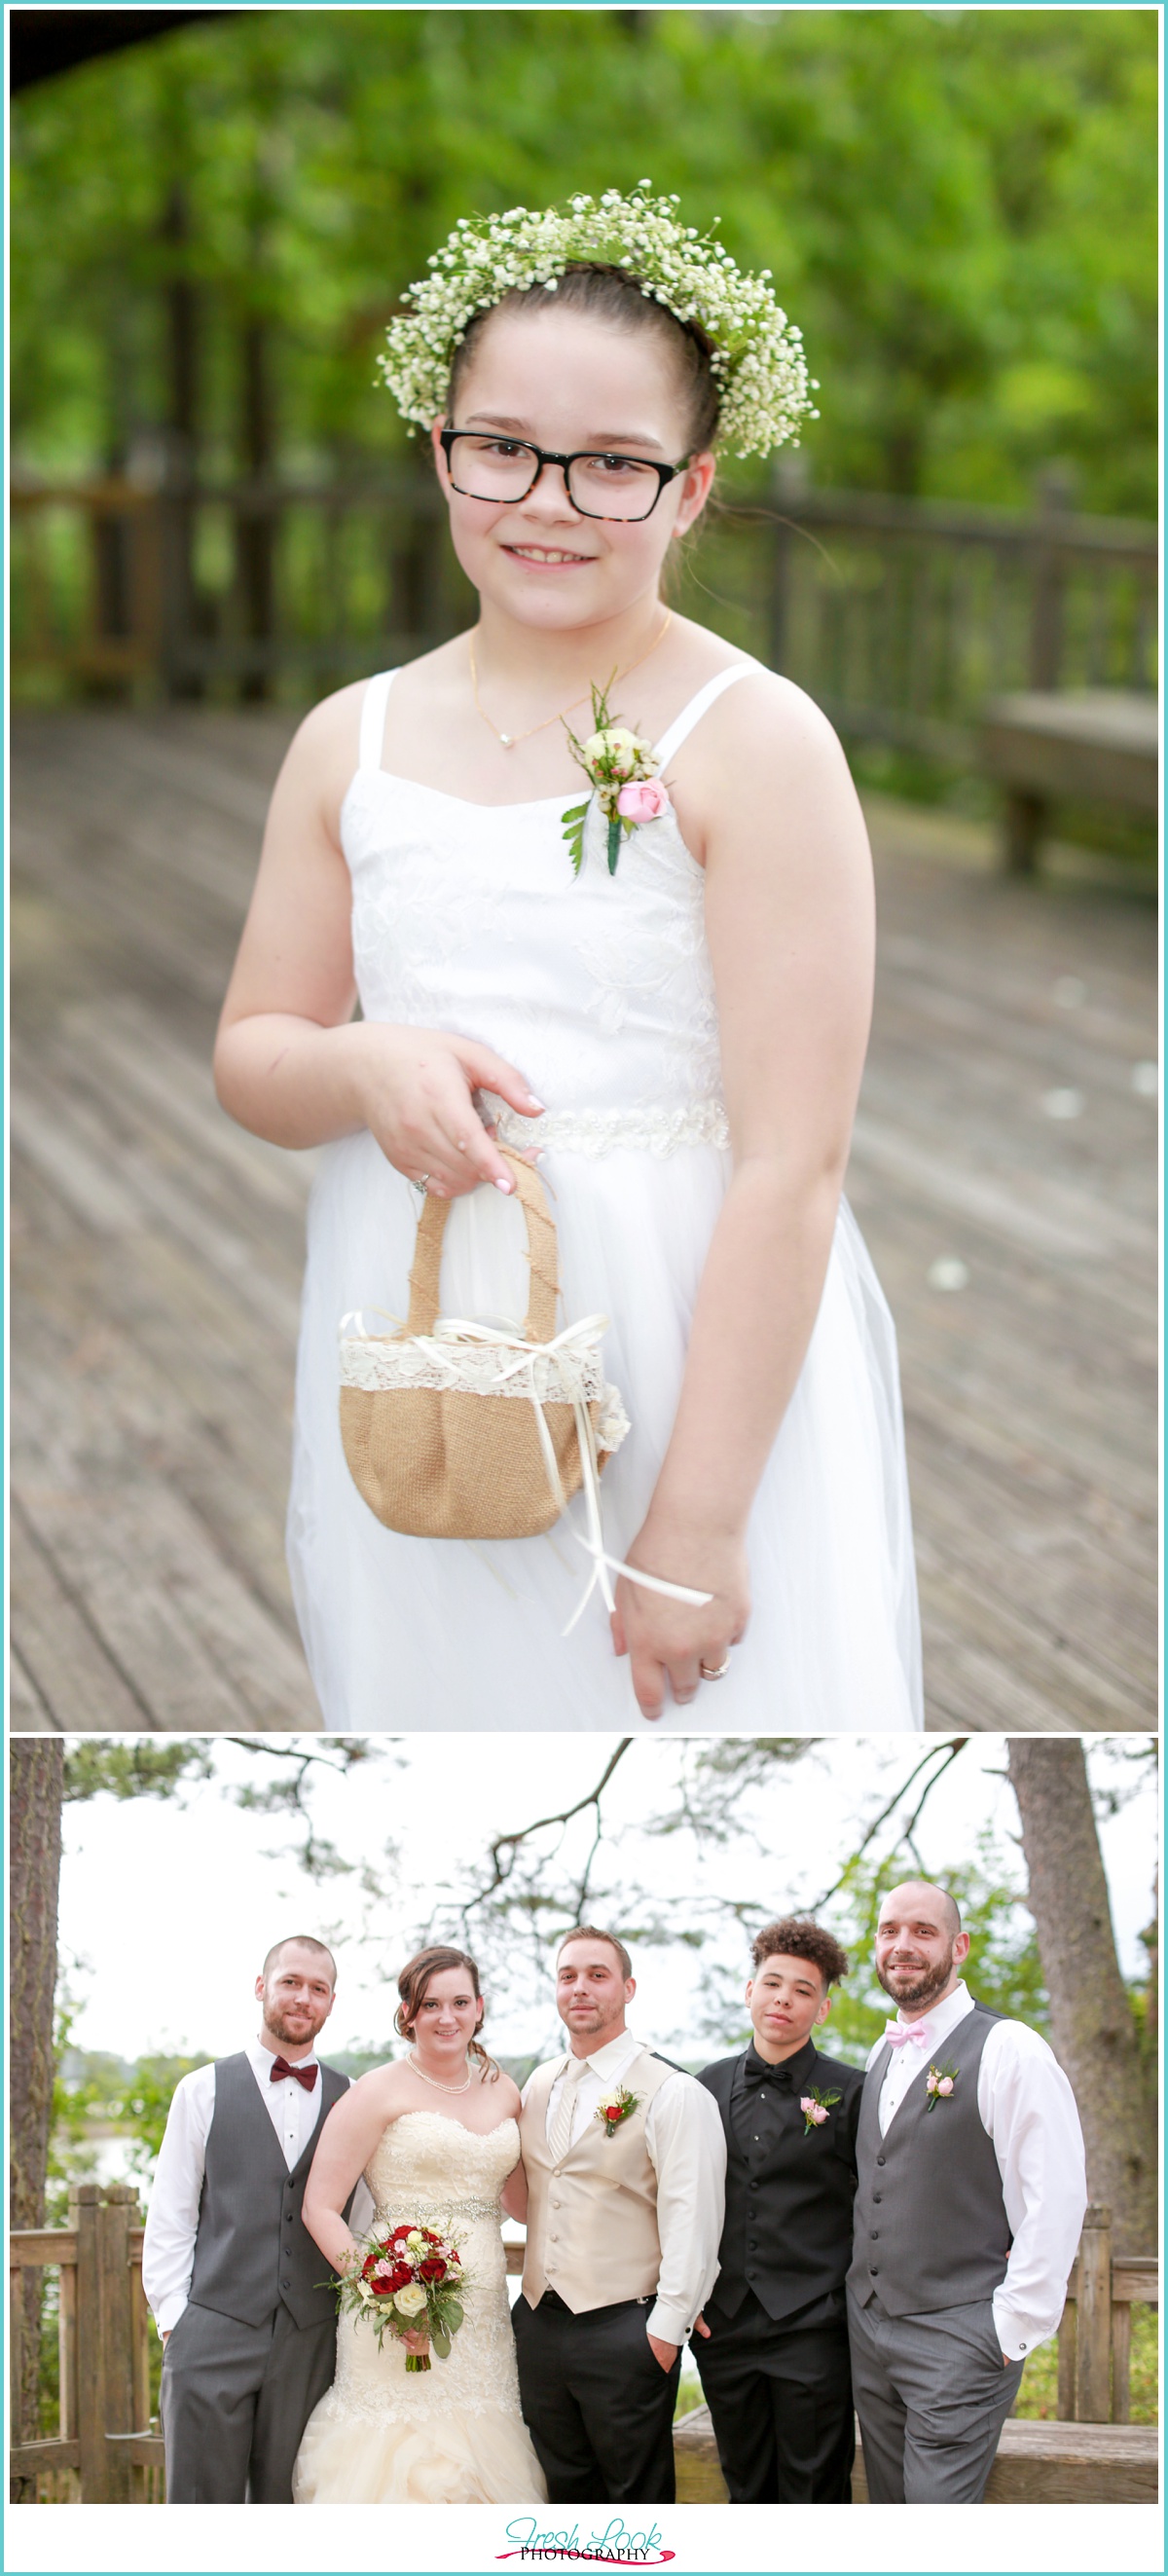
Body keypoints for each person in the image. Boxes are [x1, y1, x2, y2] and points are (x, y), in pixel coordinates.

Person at [213, 183, 922, 1732]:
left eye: (613, 464)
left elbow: (796, 1160)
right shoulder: (356, 739)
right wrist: (362, 1061)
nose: (546, 498)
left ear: (692, 487)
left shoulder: (757, 743)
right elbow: (256, 1050)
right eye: (503, 448)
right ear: (442, 449)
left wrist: (702, 1518)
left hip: (678, 1330)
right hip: (421, 1327)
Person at [847, 1878, 1087, 2504]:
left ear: (959, 1948)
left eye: (923, 1932)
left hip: (961, 2339)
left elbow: (1054, 2198)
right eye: (889, 1930)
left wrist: (1010, 2327)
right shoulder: (881, 2050)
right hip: (870, 2334)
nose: (902, 1945)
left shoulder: (1011, 2049)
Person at [295, 1945, 545, 2505]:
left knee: (482, 2463)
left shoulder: (505, 2091)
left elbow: (526, 2204)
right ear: (408, 2013)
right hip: (398, 2310)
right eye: (430, 2004)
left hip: (481, 2320)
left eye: (459, 2002)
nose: (446, 2017)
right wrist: (383, 2297)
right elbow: (319, 2208)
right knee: (402, 2472)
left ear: (479, 2008)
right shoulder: (376, 2092)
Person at [513, 1926, 726, 2505]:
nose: (580, 1988)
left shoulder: (674, 2092)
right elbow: (528, 2191)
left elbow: (695, 2219)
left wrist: (664, 2330)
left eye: (597, 1975)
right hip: (537, 2321)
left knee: (636, 2501)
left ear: (628, 1988)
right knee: (561, 2491)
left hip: (624, 2328)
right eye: (568, 1976)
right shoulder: (539, 2084)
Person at [143, 1935, 356, 2504]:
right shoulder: (202, 2090)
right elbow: (171, 2215)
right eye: (290, 1982)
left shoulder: (351, 2098)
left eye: (318, 1988)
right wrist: (175, 2322)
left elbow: (359, 2220)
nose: (302, 1998)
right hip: (213, 2329)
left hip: (311, 2340)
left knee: (290, 2506)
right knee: (199, 2504)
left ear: (332, 2002)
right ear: (262, 1987)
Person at [696, 1918, 863, 2503]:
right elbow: (680, 2205)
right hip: (723, 2326)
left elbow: (880, 2202)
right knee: (745, 2488)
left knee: (815, 2490)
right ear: (750, 1991)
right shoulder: (702, 2089)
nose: (784, 1999)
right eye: (773, 1983)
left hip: (813, 2329)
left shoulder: (853, 2091)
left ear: (822, 2009)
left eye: (803, 1990)